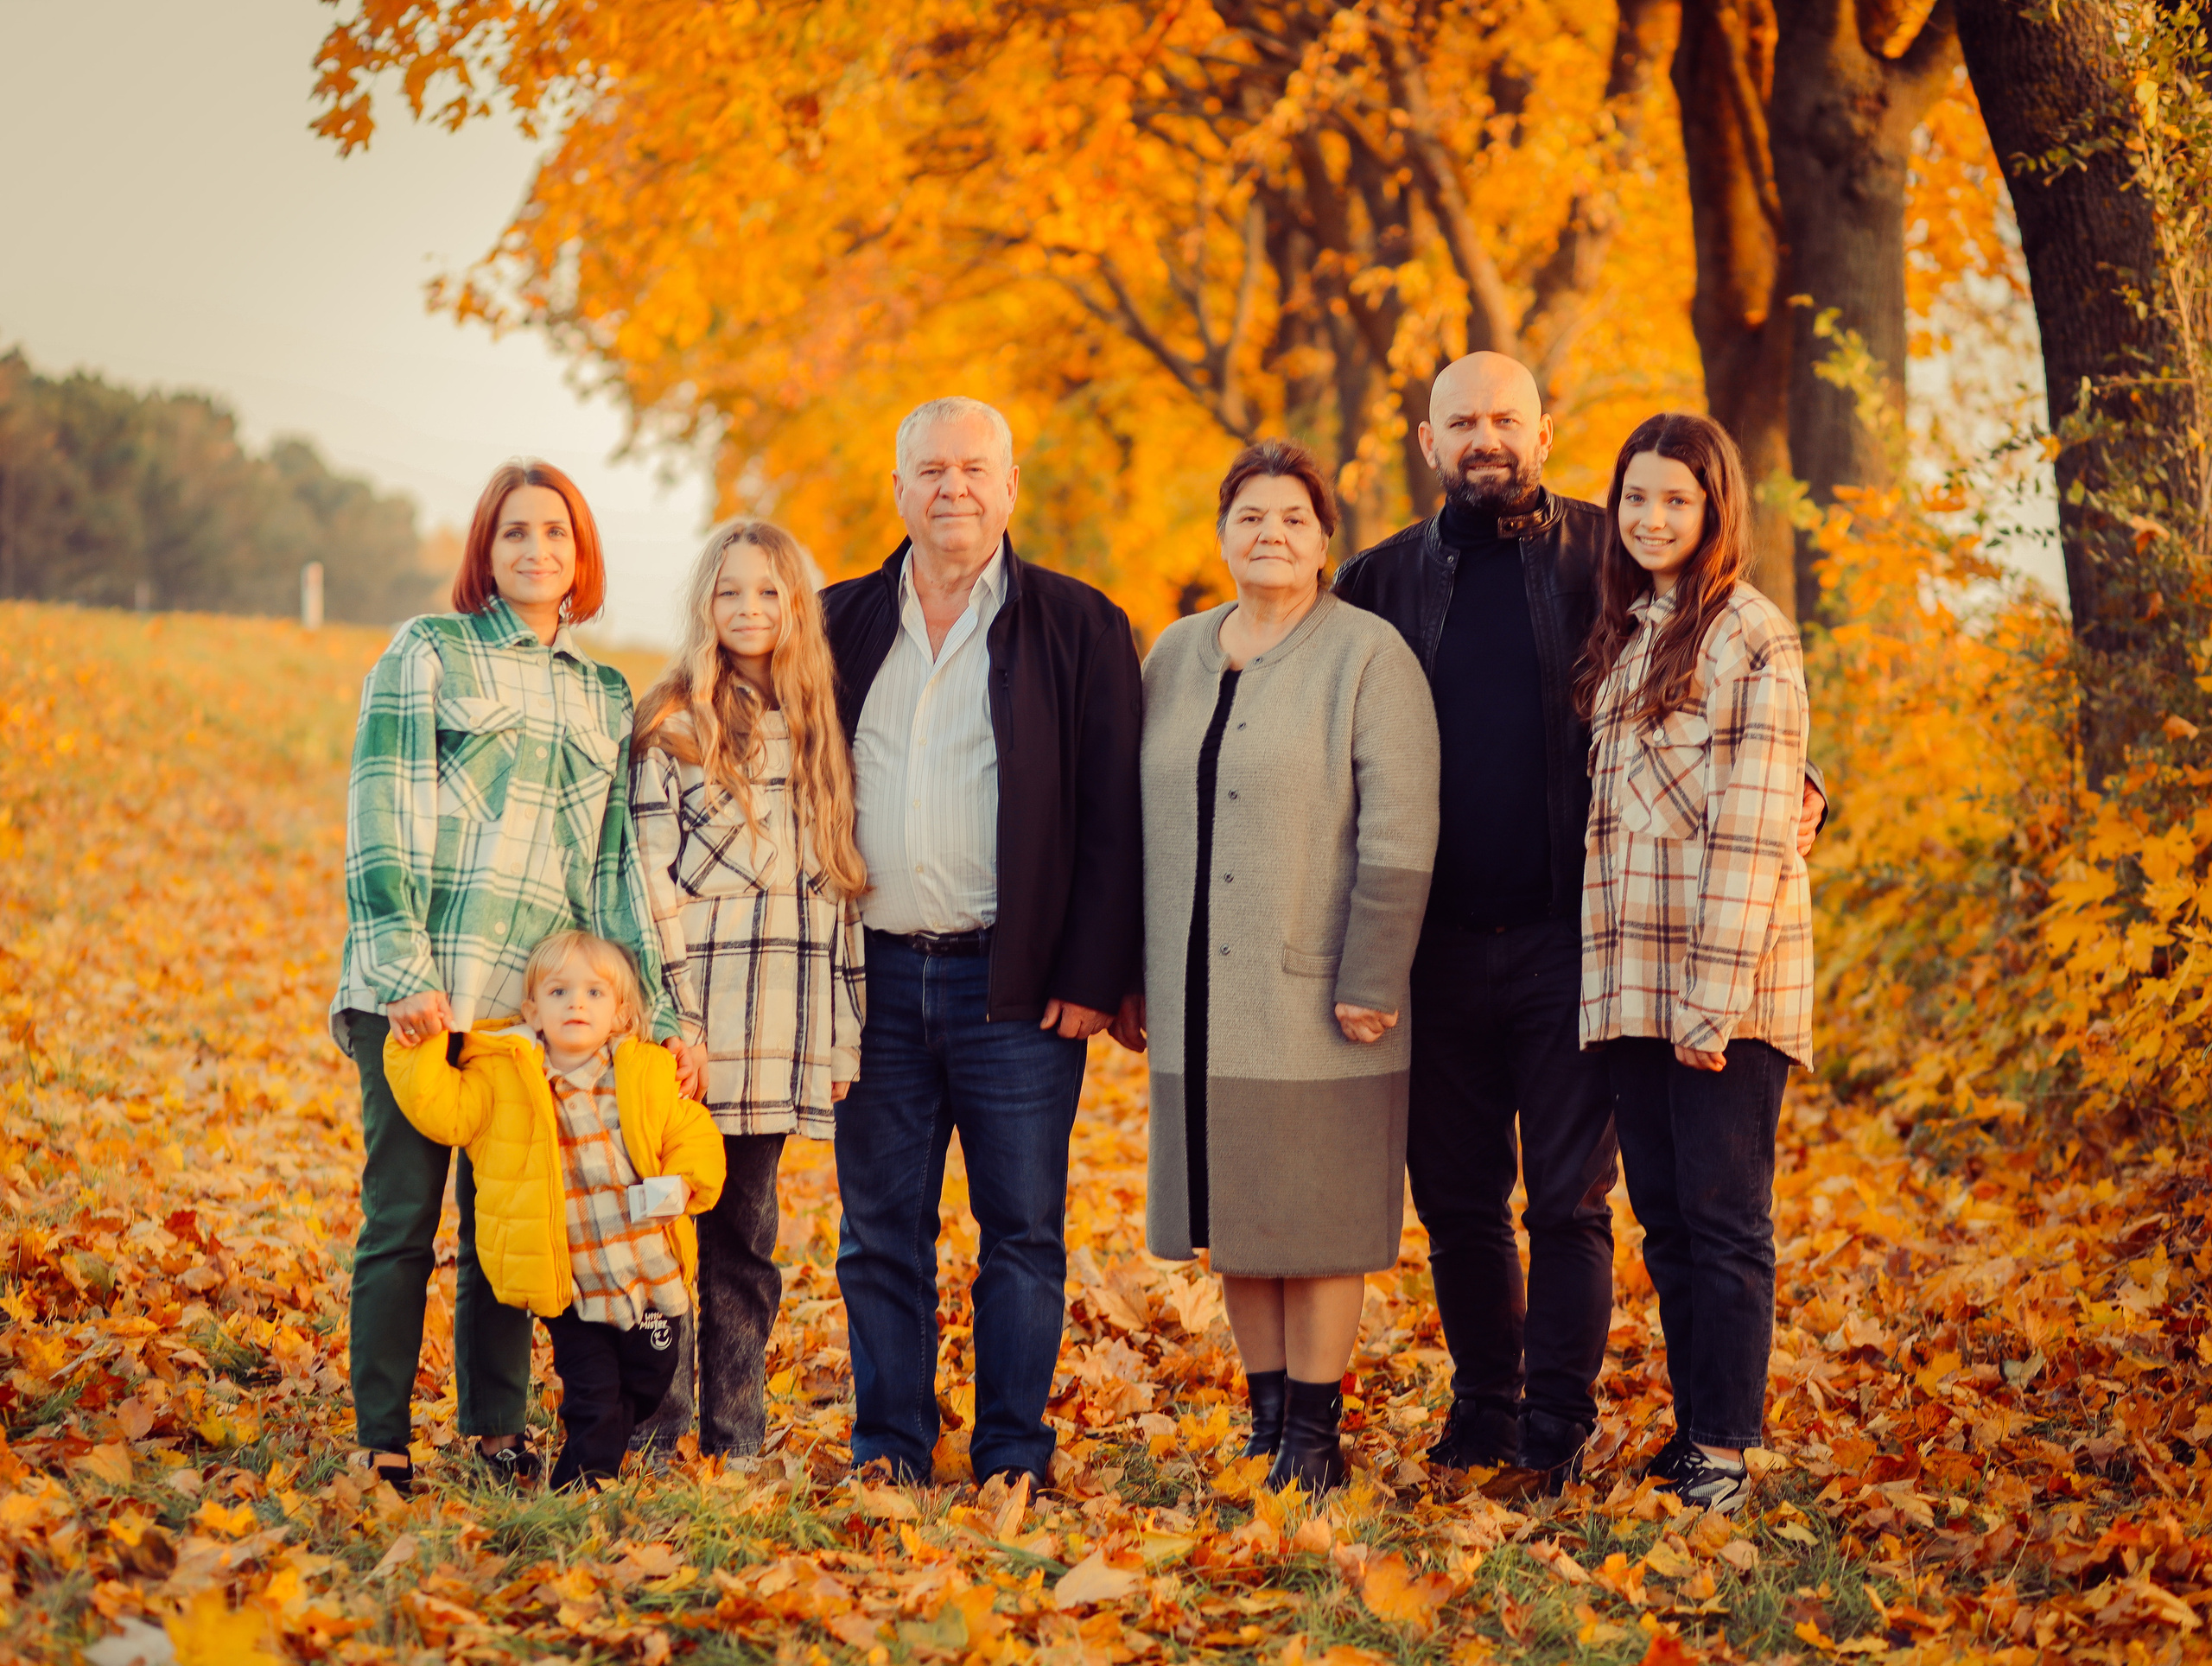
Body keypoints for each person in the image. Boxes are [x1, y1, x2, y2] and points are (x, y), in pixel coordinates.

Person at [1332, 354, 1824, 1493]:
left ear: (1543, 433)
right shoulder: (1375, 581)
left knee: (1571, 1202)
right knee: (1459, 1201)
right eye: (1463, 420)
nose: (1486, 436)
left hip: (1577, 946)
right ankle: (1483, 1410)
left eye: (1506, 417)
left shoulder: (1611, 552)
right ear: (1427, 441)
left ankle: (1555, 1425)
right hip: (1434, 946)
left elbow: (1733, 696)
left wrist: (1811, 786)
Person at [330, 459, 678, 1497]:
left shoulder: (602, 692)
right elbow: (381, 805)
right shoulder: (428, 652)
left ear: (581, 555)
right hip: (420, 997)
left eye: (556, 532)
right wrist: (403, 966)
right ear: (485, 549)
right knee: (402, 1218)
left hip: (530, 1018)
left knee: (508, 1228)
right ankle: (382, 1437)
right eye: (515, 531)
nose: (537, 549)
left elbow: (611, 865)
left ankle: (496, 1430)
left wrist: (643, 1009)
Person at [821, 397, 1143, 1488]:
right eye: (930, 469)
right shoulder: (836, 622)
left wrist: (1094, 971)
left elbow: (1113, 810)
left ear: (1009, 487)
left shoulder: (1080, 623)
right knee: (880, 1233)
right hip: (872, 979)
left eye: (972, 468)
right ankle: (891, 1445)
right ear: (898, 489)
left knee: (1021, 1231)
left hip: (1017, 986)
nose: (950, 487)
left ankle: (1011, 1449)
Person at [1119, 439, 1437, 1493]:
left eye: (1293, 518)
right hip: (1199, 994)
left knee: (1318, 1218)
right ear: (1221, 534)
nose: (1271, 534)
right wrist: (1131, 971)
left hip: (1320, 993)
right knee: (1235, 1218)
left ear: (1323, 540)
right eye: (1250, 516)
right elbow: (1131, 819)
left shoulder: (1368, 656)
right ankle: (1265, 1421)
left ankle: (1314, 1434)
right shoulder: (1174, 653)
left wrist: (1374, 973)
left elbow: (1401, 828)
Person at [1576, 413, 1811, 1514]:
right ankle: (1693, 1431)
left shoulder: (1751, 637)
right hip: (1633, 984)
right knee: (1665, 1221)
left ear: (1716, 509)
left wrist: (1708, 1006)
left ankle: (1725, 1449)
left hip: (1723, 991)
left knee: (1723, 1223)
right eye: (1636, 497)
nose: (1651, 517)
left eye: (1676, 498)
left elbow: (1754, 832)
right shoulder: (1630, 636)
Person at [626, 518, 867, 1460]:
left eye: (769, 591)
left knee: (746, 1241)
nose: (749, 608)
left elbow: (841, 892)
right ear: (706, 604)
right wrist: (675, 1018)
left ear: (795, 605)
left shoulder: (819, 729)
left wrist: (843, 1033)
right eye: (730, 591)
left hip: (780, 1032)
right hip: (691, 1031)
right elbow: (650, 881)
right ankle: (656, 1428)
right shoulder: (674, 724)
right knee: (661, 1233)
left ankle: (735, 1435)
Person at [384, 931, 728, 1492]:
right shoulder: (505, 1075)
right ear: (532, 1011)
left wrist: (686, 1181)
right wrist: (416, 1045)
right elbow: (443, 1109)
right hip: (572, 1282)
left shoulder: (644, 1071)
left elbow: (691, 1132)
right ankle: (582, 1486)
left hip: (648, 1275)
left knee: (647, 1380)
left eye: (594, 993)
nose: (576, 1004)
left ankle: (601, 1450)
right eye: (559, 991)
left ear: (619, 1014)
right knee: (592, 1391)